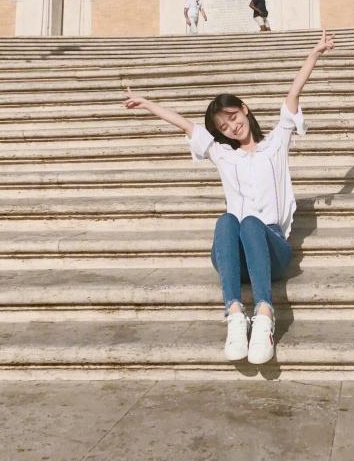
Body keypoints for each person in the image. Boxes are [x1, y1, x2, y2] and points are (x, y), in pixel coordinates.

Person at [124, 30, 335, 364]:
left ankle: (264, 315)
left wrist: (315, 54)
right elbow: (185, 125)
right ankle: (235, 316)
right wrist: (148, 104)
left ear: (244, 110)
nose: (233, 127)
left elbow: (293, 93)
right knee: (228, 220)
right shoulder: (224, 155)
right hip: (233, 255)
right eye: (224, 126)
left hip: (272, 249)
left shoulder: (276, 144)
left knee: (251, 221)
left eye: (234, 117)